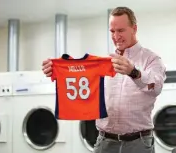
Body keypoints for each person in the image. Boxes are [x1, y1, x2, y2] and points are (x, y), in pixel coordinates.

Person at [42, 6, 166, 153]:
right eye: (112, 31)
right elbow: (79, 79)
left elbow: (156, 87)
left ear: (134, 28)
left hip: (138, 144)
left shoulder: (151, 59)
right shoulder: (104, 62)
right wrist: (56, 70)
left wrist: (134, 72)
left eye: (121, 30)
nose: (116, 36)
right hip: (105, 142)